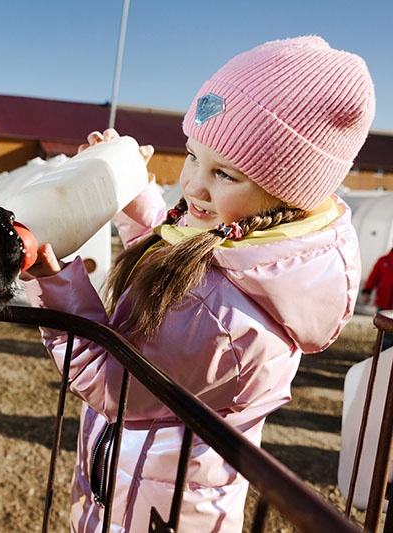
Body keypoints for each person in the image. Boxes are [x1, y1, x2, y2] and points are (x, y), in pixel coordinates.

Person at [20, 36, 374, 532]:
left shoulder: (225, 316)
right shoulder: (241, 242)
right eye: (191, 156)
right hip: (130, 486)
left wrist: (53, 282)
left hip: (158, 514)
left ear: (287, 193)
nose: (191, 186)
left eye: (224, 173)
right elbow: (171, 248)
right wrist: (129, 190)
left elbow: (113, 382)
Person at [361, 248, 393, 350]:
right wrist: (367, 291)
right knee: (383, 331)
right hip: (383, 304)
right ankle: (380, 352)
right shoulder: (383, 261)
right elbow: (373, 277)